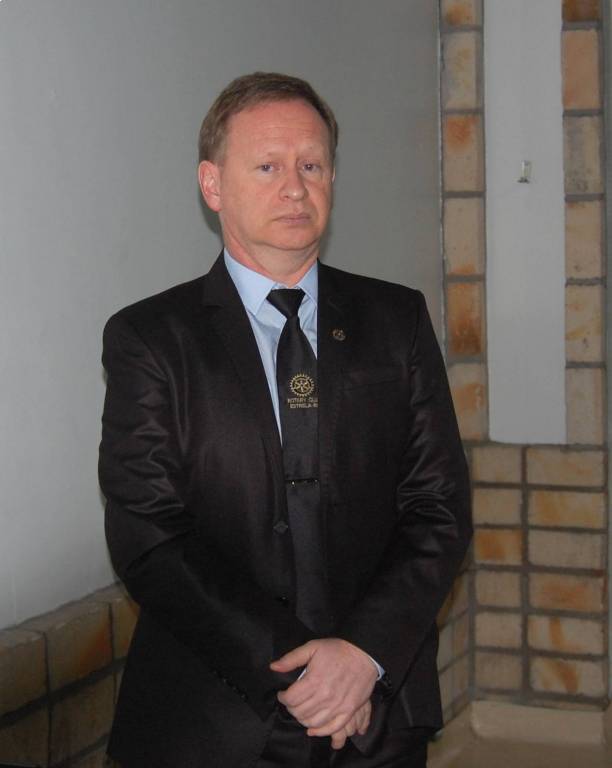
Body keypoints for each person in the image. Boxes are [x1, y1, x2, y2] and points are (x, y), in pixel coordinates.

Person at [99, 71, 472, 768]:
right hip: (215, 715)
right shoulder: (151, 338)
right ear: (212, 185)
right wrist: (301, 673)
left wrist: (360, 656)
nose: (295, 188)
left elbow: (438, 507)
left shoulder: (397, 320)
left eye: (312, 166)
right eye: (268, 166)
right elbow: (148, 534)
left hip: (375, 709)